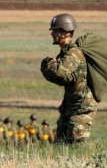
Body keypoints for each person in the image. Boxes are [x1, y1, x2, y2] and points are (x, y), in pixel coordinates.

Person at [40, 13, 97, 145]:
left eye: (54, 30)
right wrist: (65, 103)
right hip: (71, 106)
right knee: (60, 145)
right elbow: (71, 82)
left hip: (82, 108)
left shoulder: (74, 53)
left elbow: (61, 73)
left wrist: (48, 62)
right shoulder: (65, 53)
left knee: (74, 147)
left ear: (64, 32)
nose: (51, 33)